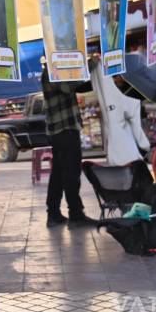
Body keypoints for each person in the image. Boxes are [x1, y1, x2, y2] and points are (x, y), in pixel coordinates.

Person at [40, 61, 94, 227]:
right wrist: (88, 66)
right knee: (71, 173)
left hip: (63, 129)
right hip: (63, 129)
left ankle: (54, 213)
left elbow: (79, 86)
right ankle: (76, 214)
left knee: (58, 174)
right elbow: (69, 86)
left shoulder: (57, 69)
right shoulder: (51, 71)